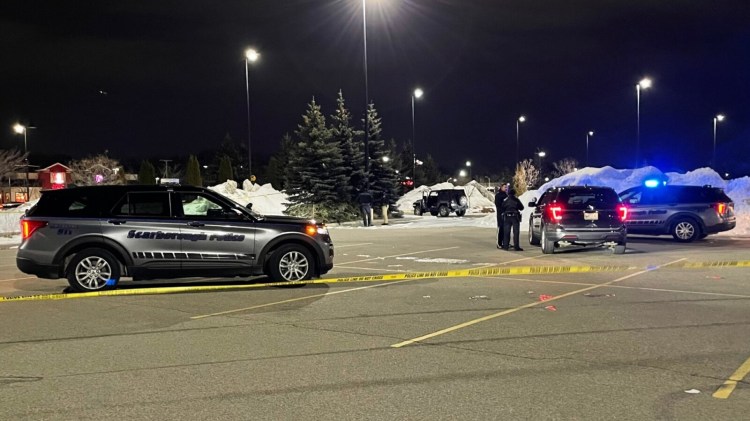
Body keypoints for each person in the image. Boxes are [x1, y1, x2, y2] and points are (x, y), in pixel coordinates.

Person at [494, 183, 509, 249]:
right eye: (504, 187)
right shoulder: (498, 195)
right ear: (501, 187)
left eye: (506, 187)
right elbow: (498, 205)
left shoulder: (506, 195)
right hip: (500, 214)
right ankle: (499, 243)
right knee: (501, 229)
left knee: (506, 229)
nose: (506, 188)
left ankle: (505, 242)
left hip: (506, 214)